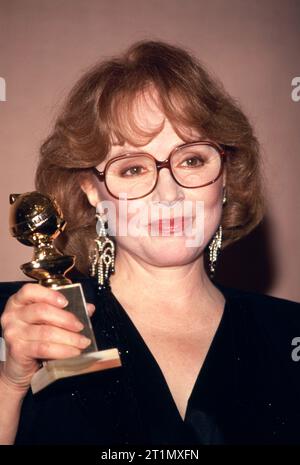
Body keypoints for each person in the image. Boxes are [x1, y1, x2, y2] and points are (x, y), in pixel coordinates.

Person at [0, 40, 300, 445]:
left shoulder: (289, 334)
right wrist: (10, 383)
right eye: (133, 168)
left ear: (225, 174)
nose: (168, 193)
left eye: (192, 159)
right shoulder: (22, 326)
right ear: (92, 191)